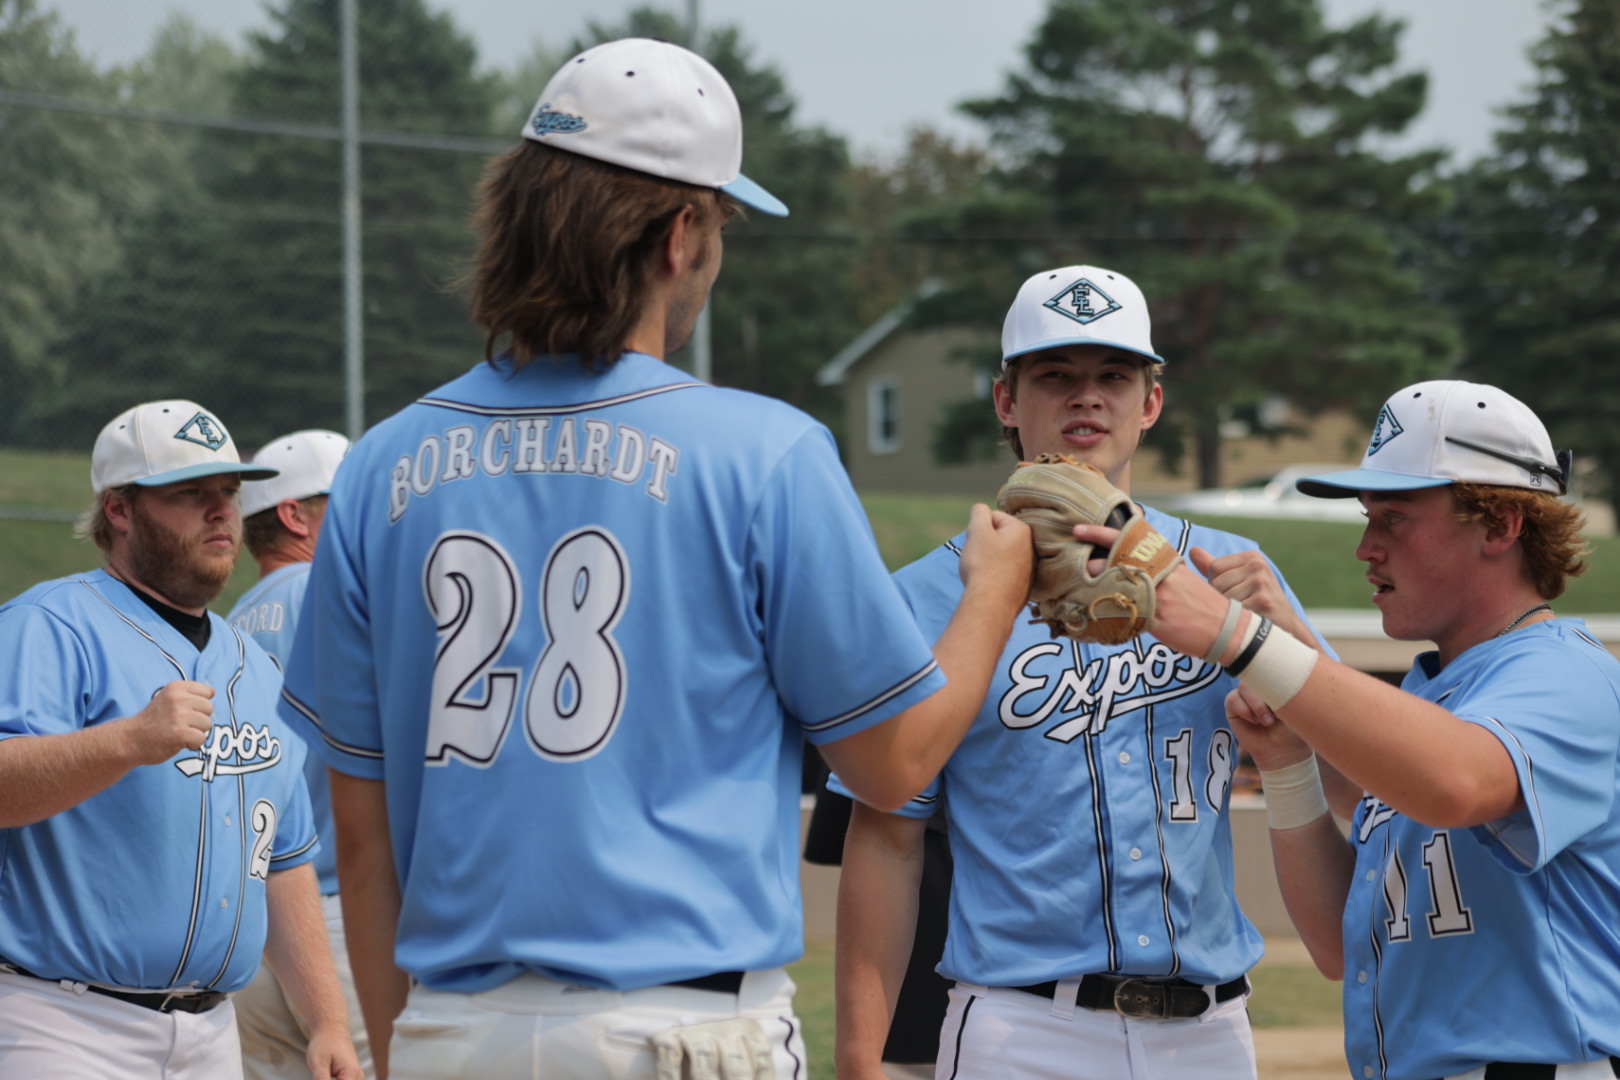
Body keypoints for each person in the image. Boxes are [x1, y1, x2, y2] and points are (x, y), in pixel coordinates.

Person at [274, 36, 1032, 1080]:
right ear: (679, 234)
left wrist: (410, 1049)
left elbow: (361, 843)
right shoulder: (766, 451)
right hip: (682, 1031)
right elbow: (894, 763)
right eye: (719, 226)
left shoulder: (379, 466)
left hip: (454, 1031)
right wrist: (991, 595)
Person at [834, 265, 1333, 1080]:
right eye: (1055, 376)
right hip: (1022, 1028)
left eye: (1113, 376)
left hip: (1209, 1032)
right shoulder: (925, 598)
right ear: (1006, 401)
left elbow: (1363, 774)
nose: (1086, 398)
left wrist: (1289, 645)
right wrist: (860, 1059)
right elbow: (886, 838)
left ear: (1151, 402)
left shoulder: (1231, 577)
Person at [1146, 380, 1620, 1080]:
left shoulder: (1566, 675)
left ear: (1501, 525)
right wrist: (1284, 765)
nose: (1366, 546)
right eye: (1369, 516)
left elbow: (1456, 782)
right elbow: (1342, 947)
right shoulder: (1439, 691)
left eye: (1394, 518)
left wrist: (1244, 641)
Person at [0, 400, 361, 1080]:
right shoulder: (49, 626)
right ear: (120, 509)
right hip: (62, 1023)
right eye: (190, 493)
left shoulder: (253, 665)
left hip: (211, 1034)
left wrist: (328, 1021)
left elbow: (281, 860)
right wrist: (128, 740)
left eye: (227, 492)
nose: (221, 510)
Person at [226, 429, 371, 1080]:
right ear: (293, 514)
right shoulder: (327, 592)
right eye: (351, 495)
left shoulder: (232, 624)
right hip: (335, 921)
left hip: (251, 930)